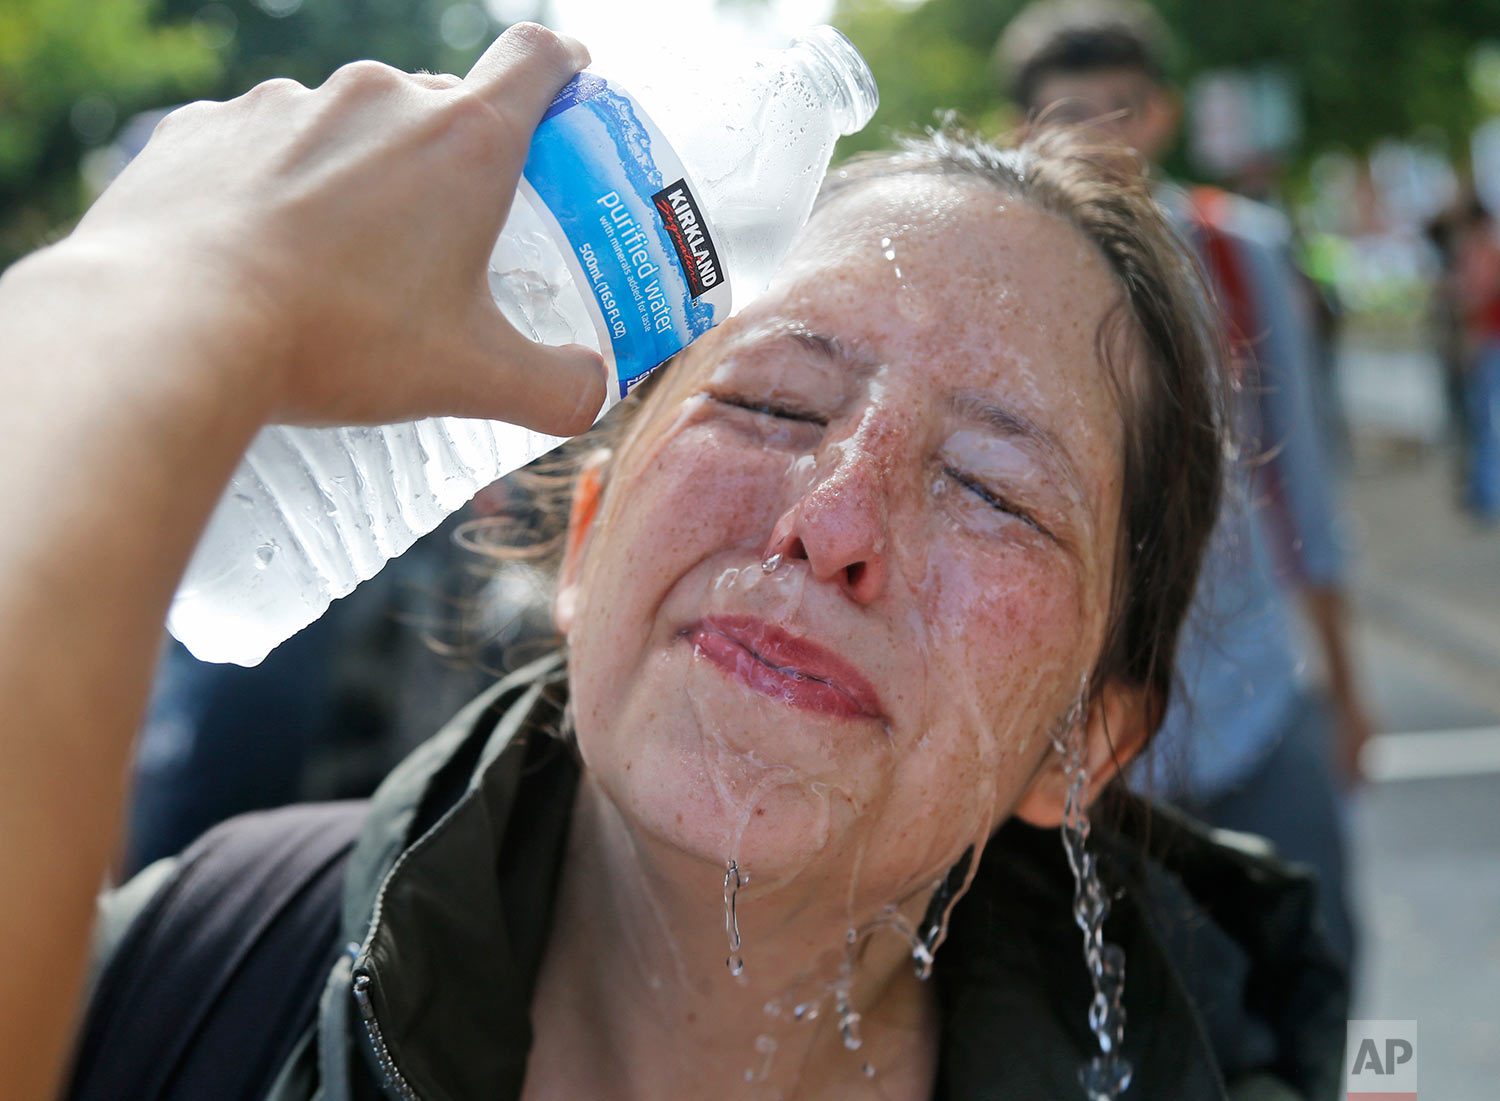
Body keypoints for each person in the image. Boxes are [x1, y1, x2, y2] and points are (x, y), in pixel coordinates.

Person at [0, 24, 1346, 1101]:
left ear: (1088, 742)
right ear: (585, 548)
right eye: (770, 404)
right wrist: (166, 298)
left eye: (994, 490)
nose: (836, 519)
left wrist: (132, 309)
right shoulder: (181, 984)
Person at [995, 0, 1369, 970]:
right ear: (1024, 129)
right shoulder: (1004, 279)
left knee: (1326, 960)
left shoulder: (1239, 254)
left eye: (1124, 108)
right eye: (1074, 112)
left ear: (1161, 114)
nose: (1104, 136)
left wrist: (1346, 686)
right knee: (1158, 1008)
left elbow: (1309, 492)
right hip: (1092, 738)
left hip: (1258, 697)